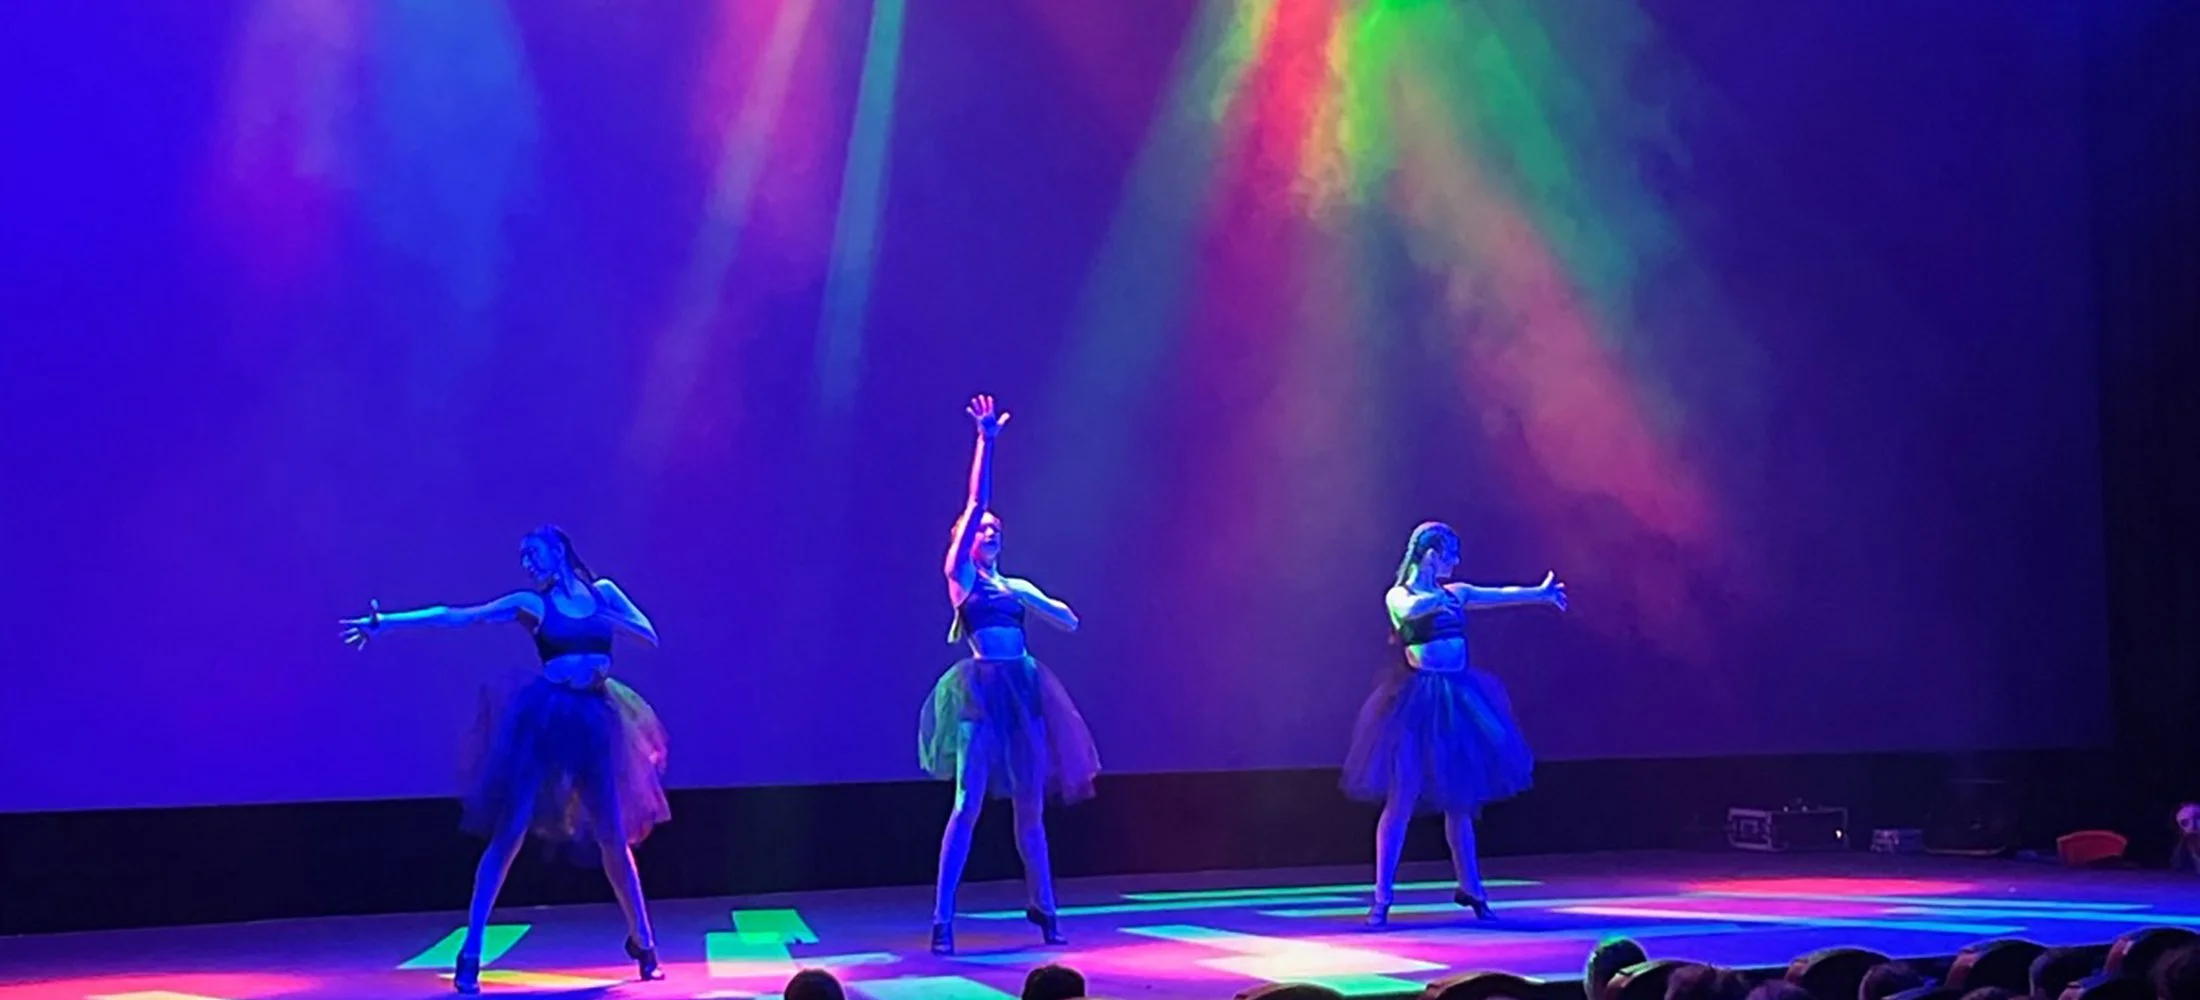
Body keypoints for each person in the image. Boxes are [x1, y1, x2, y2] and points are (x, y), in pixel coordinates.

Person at [339, 526, 670, 993]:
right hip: (547, 720)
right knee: (509, 832)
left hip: (597, 720)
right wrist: (388, 623)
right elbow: (460, 617)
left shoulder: (604, 593)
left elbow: (648, 635)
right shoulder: (531, 604)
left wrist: (608, 615)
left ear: (558, 551)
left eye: (533, 554)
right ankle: (471, 951)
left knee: (613, 836)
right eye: (524, 558)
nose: (528, 565)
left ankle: (643, 942)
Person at [920, 394, 1102, 954]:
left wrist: (1055, 609)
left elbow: (1067, 619)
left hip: (1023, 690)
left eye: (998, 528)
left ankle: (1044, 907)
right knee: (966, 805)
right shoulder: (963, 579)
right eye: (983, 528)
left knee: (1031, 809)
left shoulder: (1014, 586)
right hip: (981, 693)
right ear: (967, 539)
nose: (992, 530)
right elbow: (976, 501)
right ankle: (943, 919)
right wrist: (986, 442)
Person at [1344, 520, 1564, 926]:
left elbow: (1496, 595)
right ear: (1431, 554)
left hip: (1458, 701)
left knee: (1459, 801)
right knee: (1403, 795)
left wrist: (1540, 593)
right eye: (1450, 553)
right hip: (1414, 705)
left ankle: (1472, 888)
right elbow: (1407, 610)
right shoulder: (1400, 594)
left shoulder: (1455, 594)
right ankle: (1382, 898)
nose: (1456, 561)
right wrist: (1433, 602)